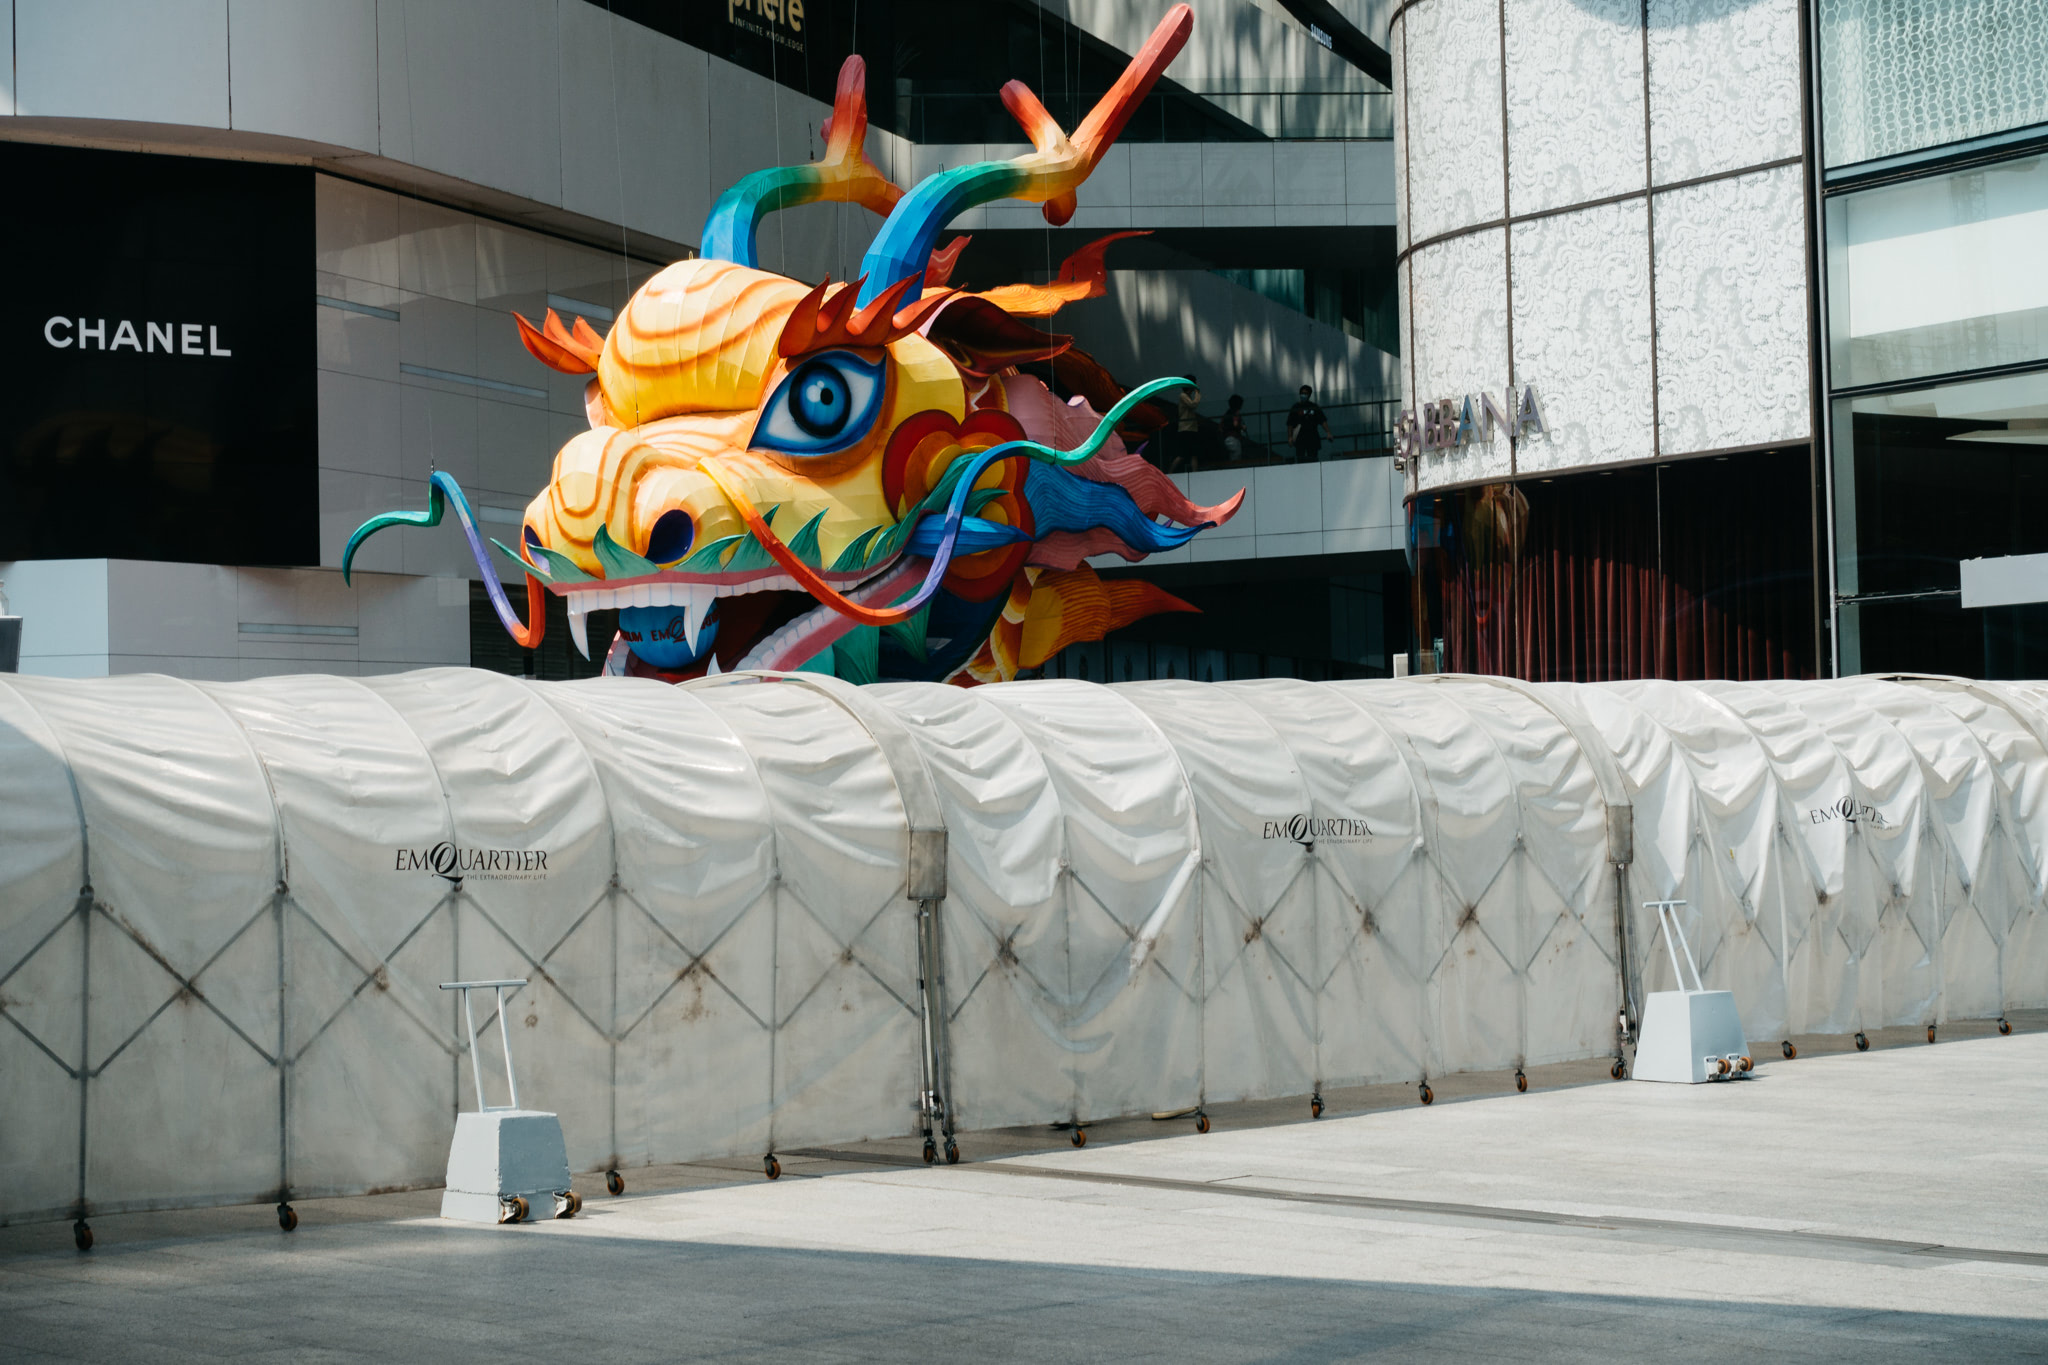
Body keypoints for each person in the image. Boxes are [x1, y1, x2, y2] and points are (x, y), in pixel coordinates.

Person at [1286, 384, 1331, 462]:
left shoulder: (1313, 406)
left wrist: (1328, 432)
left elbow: (1322, 420)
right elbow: (1290, 423)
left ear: (1309, 395)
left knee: (1313, 458)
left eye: (1305, 393)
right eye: (1302, 393)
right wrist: (1290, 437)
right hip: (1300, 437)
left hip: (1312, 437)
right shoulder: (1296, 407)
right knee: (1300, 458)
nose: (1303, 395)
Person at [1219, 394, 1247, 461]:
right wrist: (1242, 427)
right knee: (1236, 457)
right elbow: (1235, 424)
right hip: (1233, 438)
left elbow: (1220, 427)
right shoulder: (1235, 413)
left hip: (1226, 438)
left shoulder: (1227, 414)